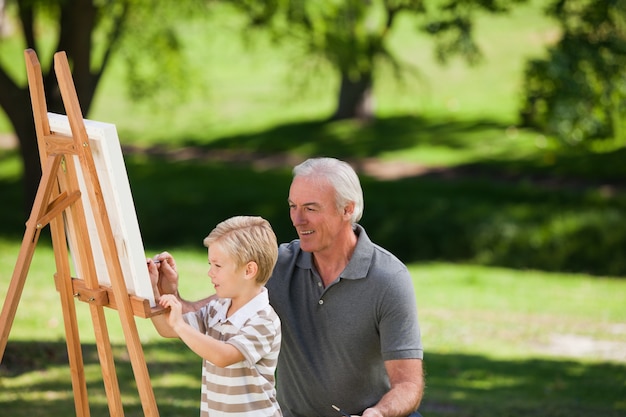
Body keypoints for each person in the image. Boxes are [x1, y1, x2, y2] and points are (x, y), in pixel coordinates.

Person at [152, 157, 425, 417]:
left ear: (347, 209)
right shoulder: (277, 266)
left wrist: (377, 413)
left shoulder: (388, 278)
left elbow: (407, 385)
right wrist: (168, 294)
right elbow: (199, 315)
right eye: (293, 206)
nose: (297, 219)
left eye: (310, 208)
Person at [148, 216, 282, 417]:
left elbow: (223, 355)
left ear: (249, 270)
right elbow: (167, 328)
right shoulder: (217, 308)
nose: (210, 273)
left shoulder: (264, 320)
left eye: (217, 266)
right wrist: (154, 291)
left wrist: (180, 325)